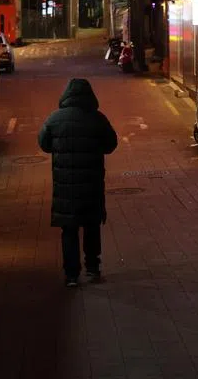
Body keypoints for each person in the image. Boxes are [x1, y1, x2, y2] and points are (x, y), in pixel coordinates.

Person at [37, 78, 118, 287]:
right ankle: (92, 266)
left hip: (65, 186)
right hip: (91, 183)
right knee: (92, 225)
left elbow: (44, 144)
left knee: (69, 229)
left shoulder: (54, 119)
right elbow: (111, 144)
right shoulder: (98, 119)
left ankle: (71, 274)